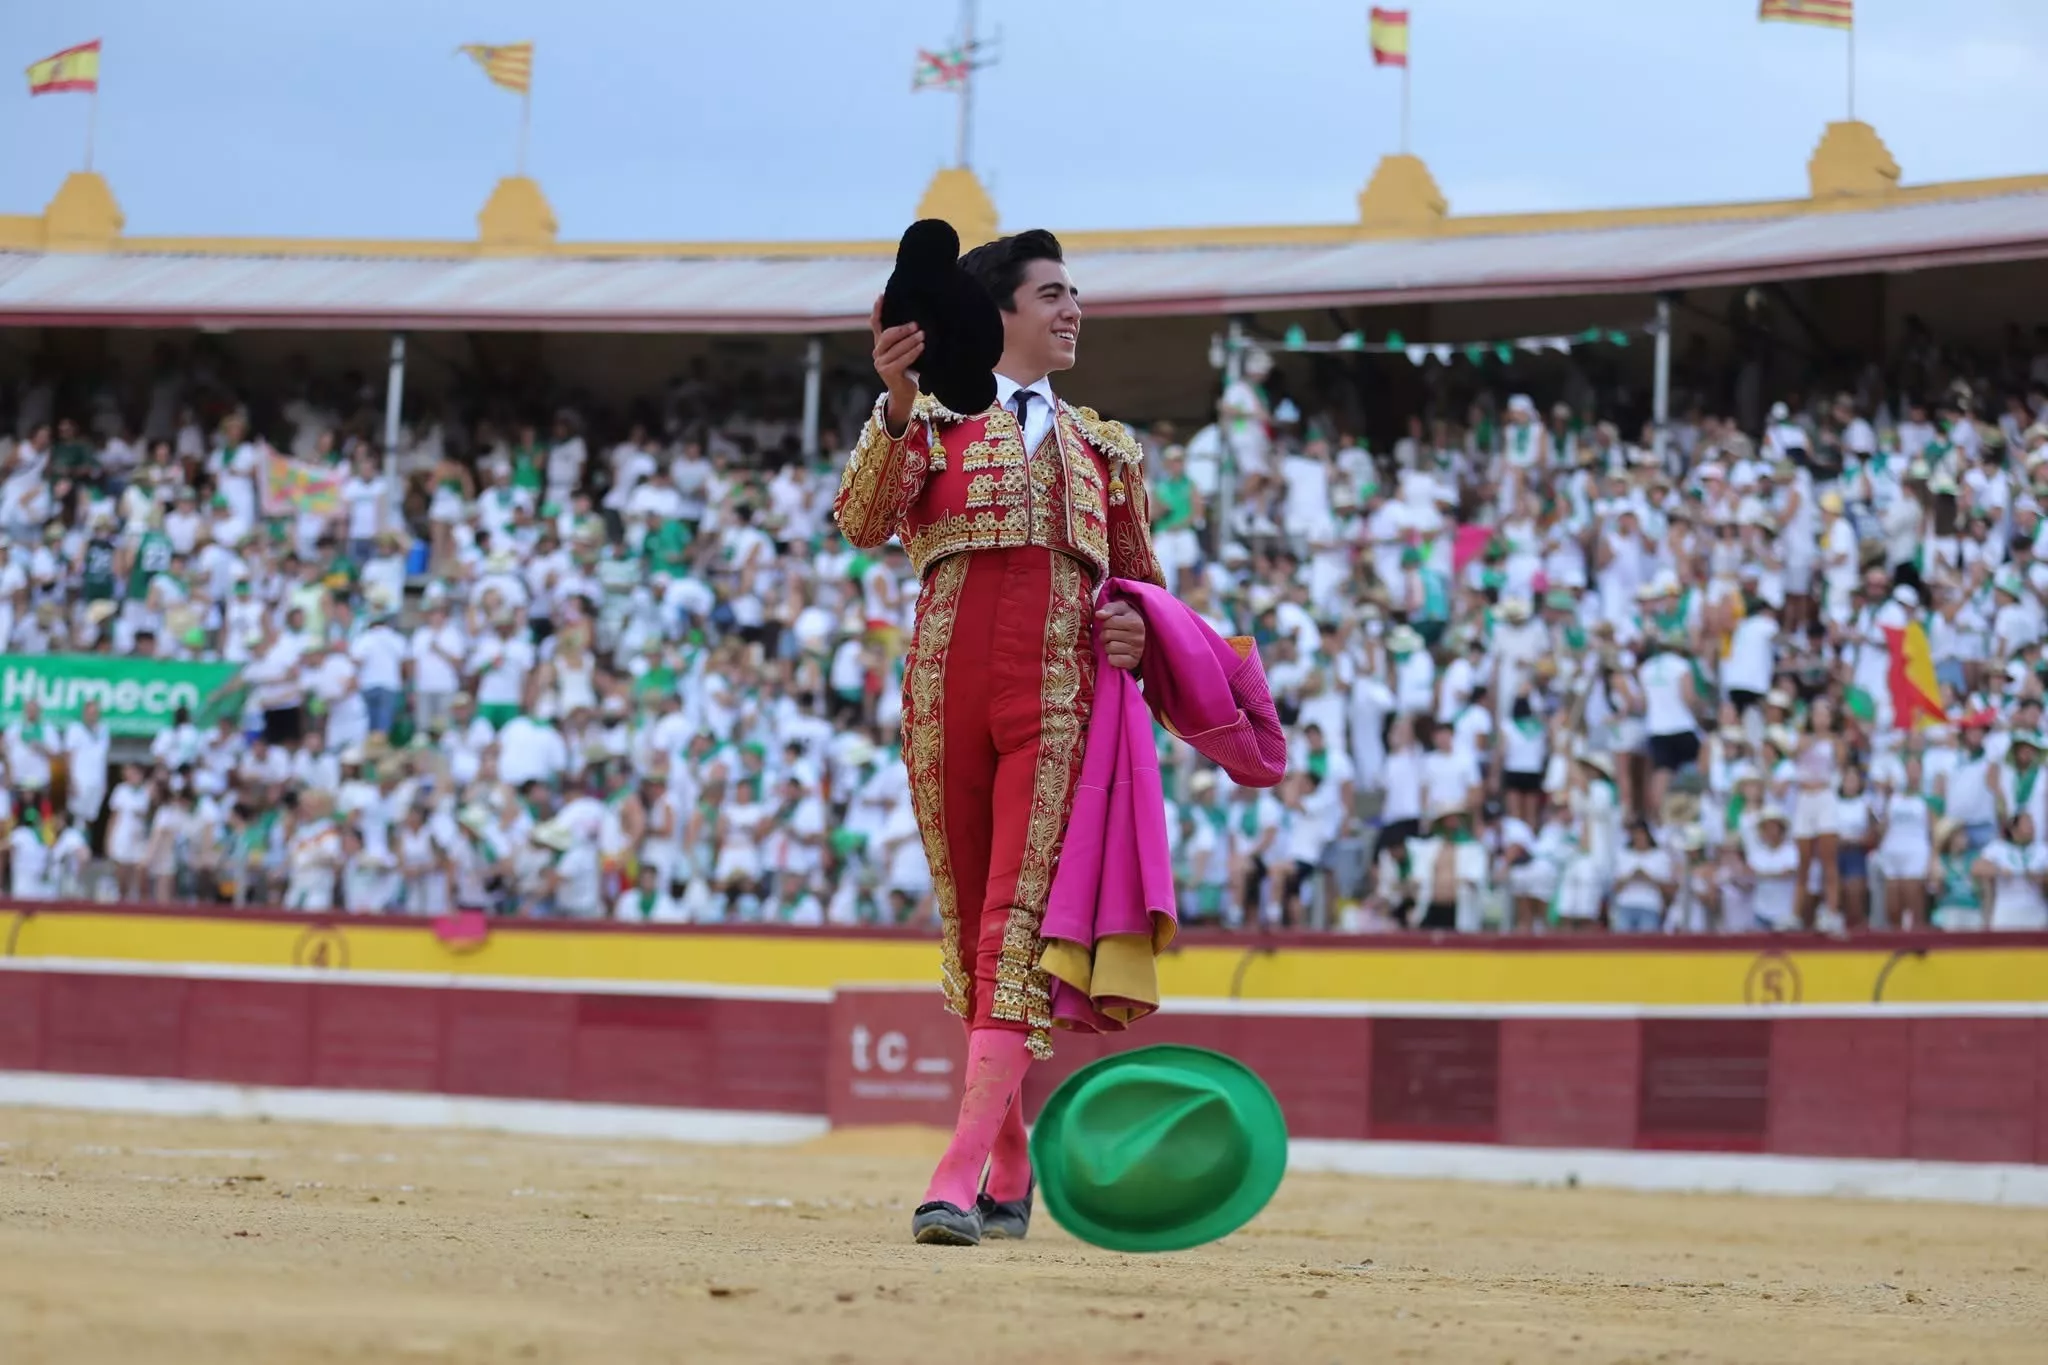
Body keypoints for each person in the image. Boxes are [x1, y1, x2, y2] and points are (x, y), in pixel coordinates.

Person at [833, 228, 1164, 1246]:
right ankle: (1010, 1160)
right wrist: (892, 404)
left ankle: (956, 1169)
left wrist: (1134, 625)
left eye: (1076, 294)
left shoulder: (1106, 451)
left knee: (1010, 928)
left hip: (1052, 698)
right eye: (1052, 293)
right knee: (970, 927)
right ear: (997, 312)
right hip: (941, 692)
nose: (1073, 310)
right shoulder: (925, 420)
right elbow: (857, 521)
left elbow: (1146, 595)